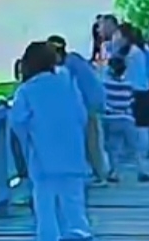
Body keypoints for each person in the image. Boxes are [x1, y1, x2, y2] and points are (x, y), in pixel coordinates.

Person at [10, 41, 93, 241]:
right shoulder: (67, 82)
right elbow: (82, 115)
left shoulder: (27, 90)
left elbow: (18, 121)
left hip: (43, 156)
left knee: (46, 209)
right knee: (74, 206)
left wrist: (28, 140)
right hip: (72, 153)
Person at [47, 34, 110, 184]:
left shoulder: (67, 67)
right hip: (92, 102)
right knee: (92, 141)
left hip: (89, 104)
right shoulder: (74, 60)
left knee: (92, 141)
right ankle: (99, 172)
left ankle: (101, 175)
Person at [102, 56, 149, 182]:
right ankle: (142, 171)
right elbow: (130, 102)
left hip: (110, 119)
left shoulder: (105, 84)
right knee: (135, 148)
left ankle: (114, 172)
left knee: (113, 147)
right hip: (126, 119)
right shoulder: (128, 85)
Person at [116, 22, 149, 158]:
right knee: (141, 124)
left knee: (140, 124)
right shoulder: (138, 50)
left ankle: (140, 152)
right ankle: (143, 151)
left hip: (136, 90)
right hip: (141, 88)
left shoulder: (132, 53)